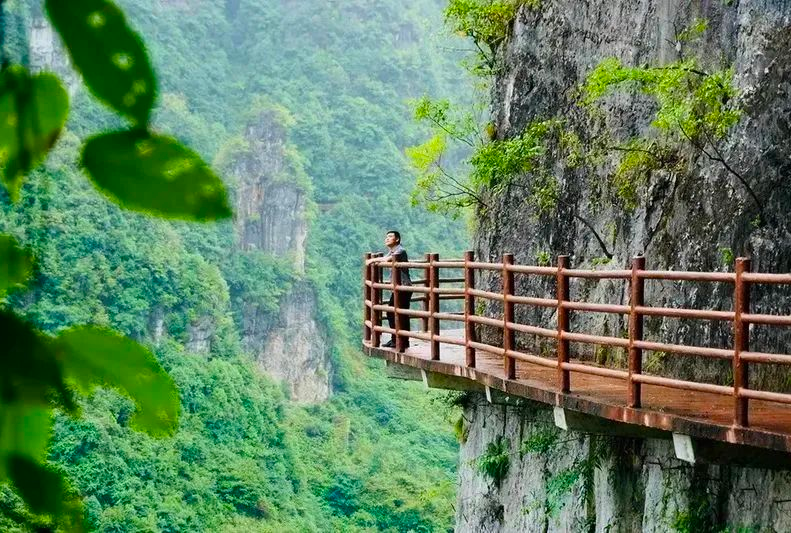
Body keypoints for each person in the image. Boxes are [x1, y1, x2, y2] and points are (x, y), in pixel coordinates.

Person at [374, 230, 412, 349]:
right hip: (399, 288)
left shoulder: (400, 250)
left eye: (390, 236)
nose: (387, 238)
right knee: (396, 313)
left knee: (398, 313)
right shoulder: (392, 251)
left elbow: (386, 260)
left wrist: (371, 260)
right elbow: (385, 258)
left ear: (397, 239)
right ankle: (397, 339)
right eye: (386, 237)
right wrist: (376, 260)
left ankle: (401, 340)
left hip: (403, 287)